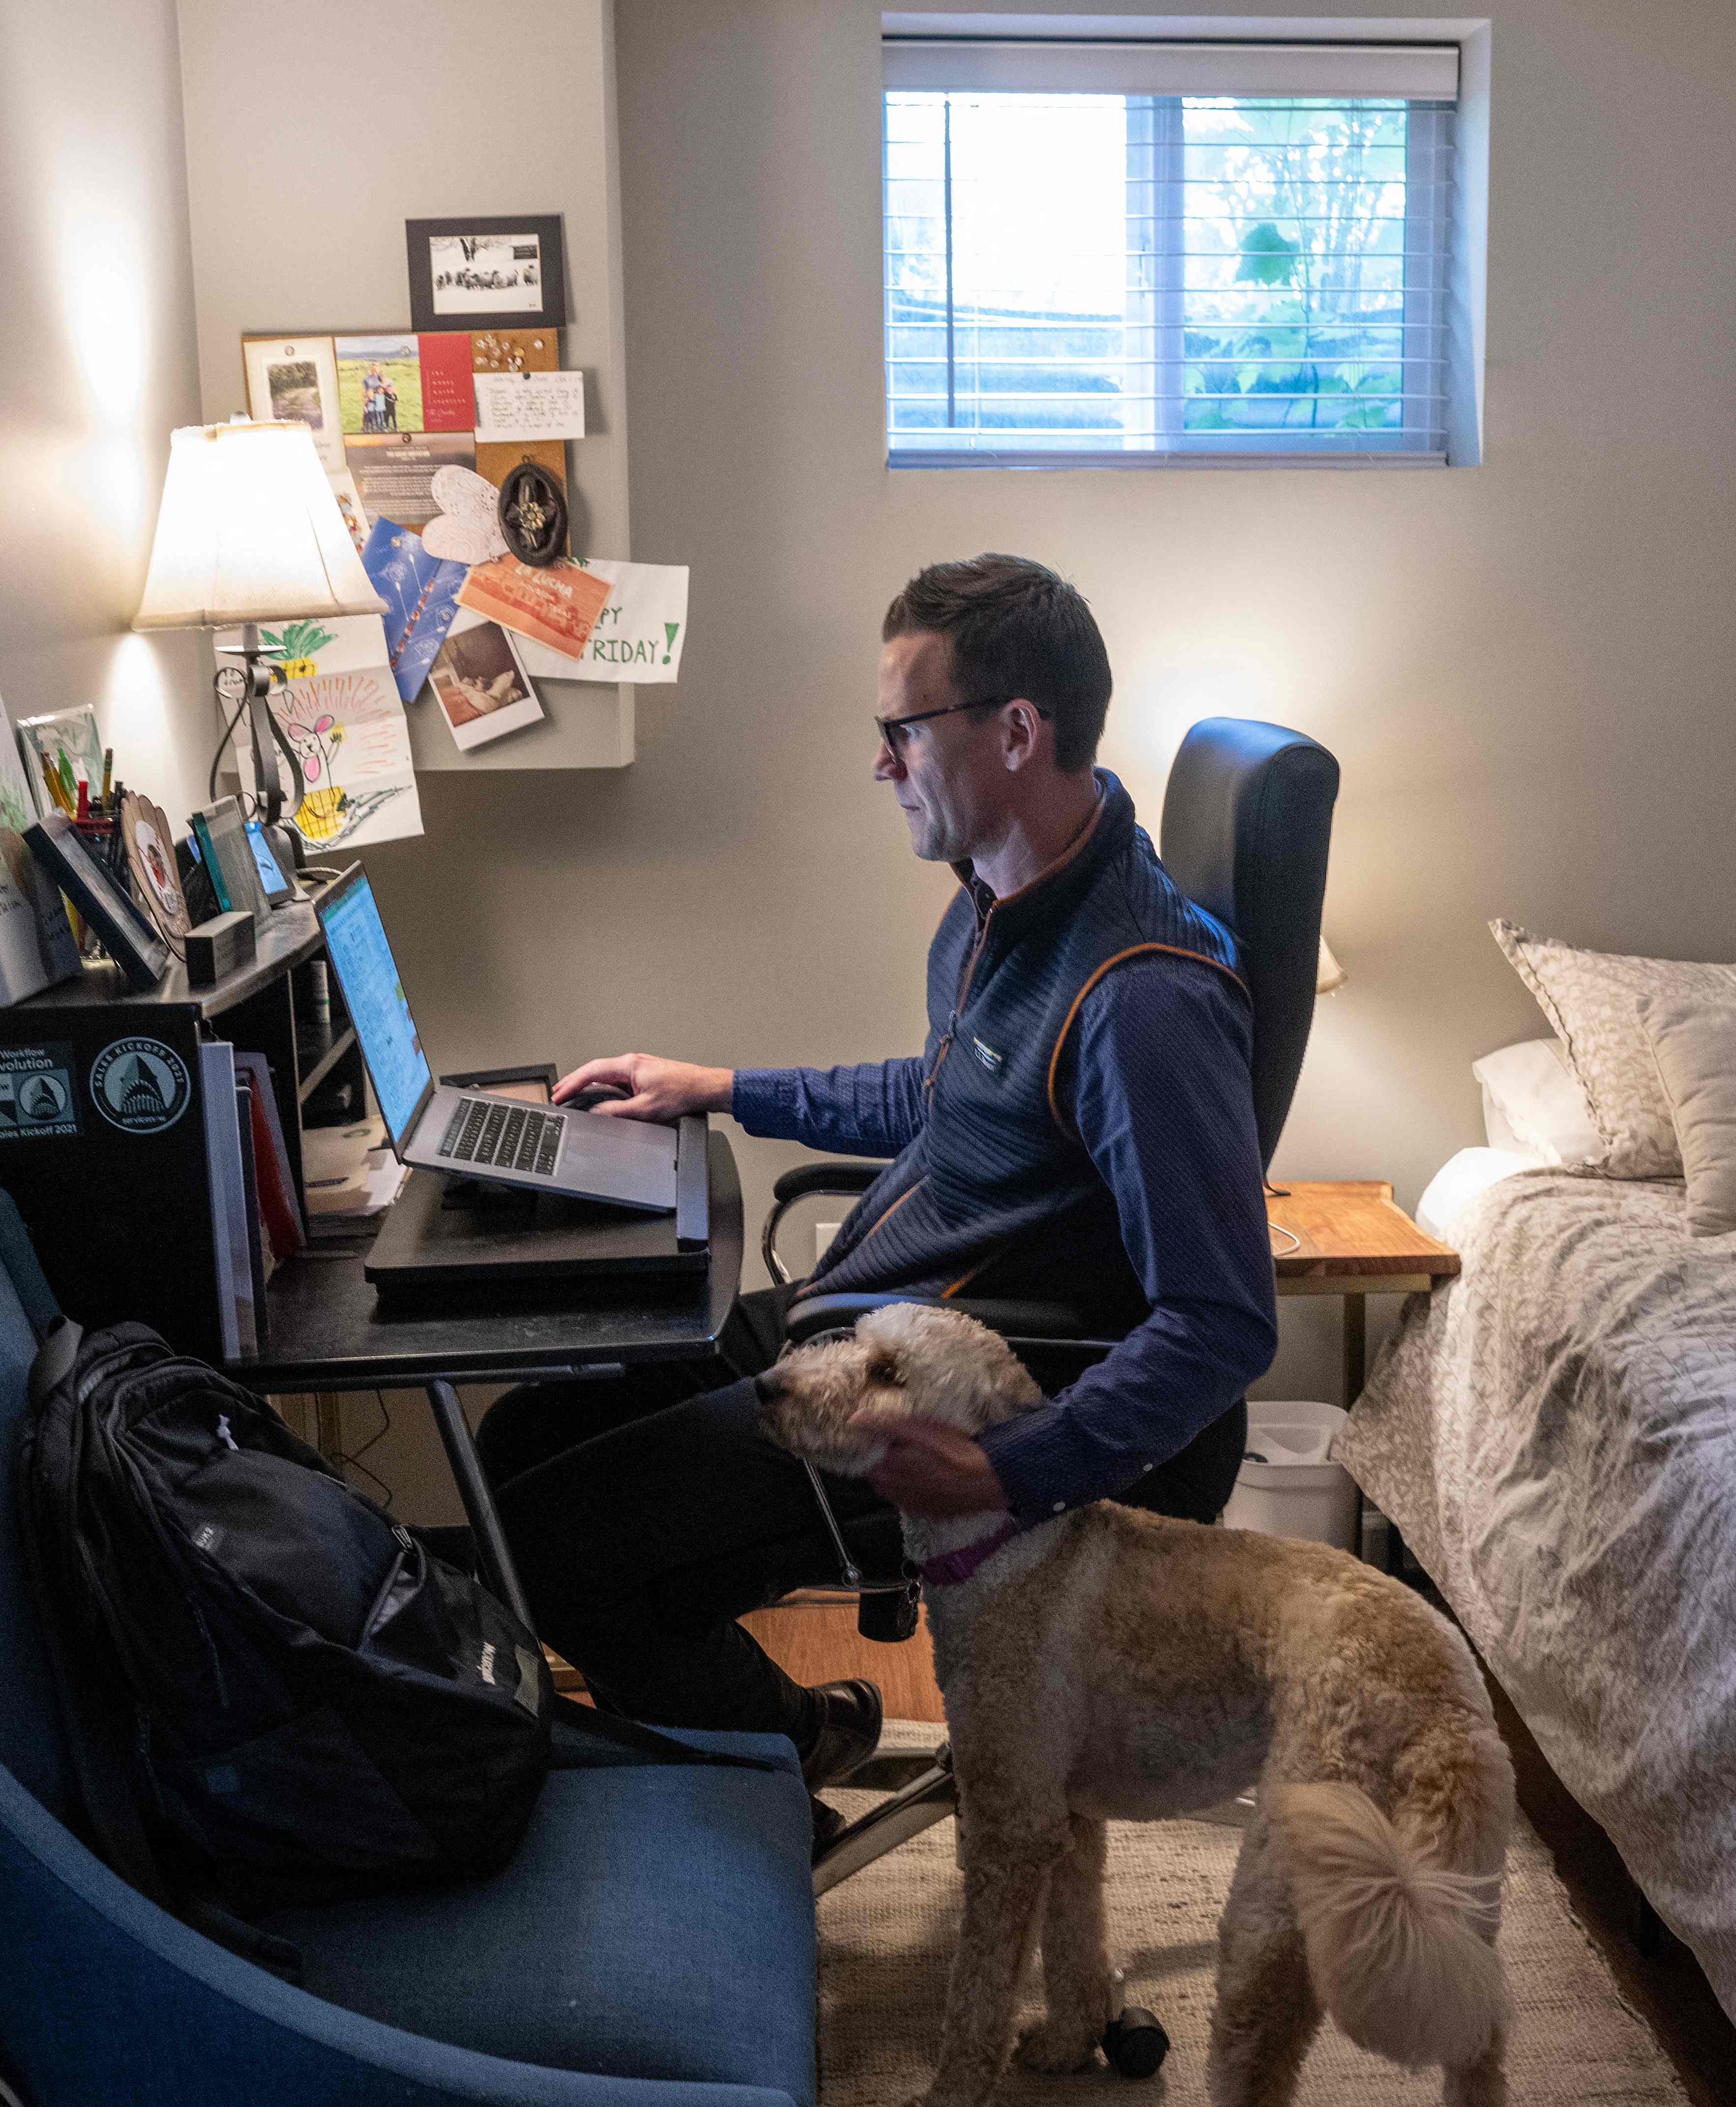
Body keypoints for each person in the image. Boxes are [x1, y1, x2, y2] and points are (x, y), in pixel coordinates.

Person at [477, 553, 1280, 1826]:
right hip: (863, 1326)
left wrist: (1005, 1470)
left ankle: (770, 1792)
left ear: (1016, 733)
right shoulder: (995, 906)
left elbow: (1224, 1325)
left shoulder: (1144, 1002)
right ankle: (792, 1735)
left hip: (972, 1405)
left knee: (546, 1546)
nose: (881, 763)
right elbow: (951, 1096)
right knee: (518, 1444)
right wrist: (720, 1087)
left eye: (903, 729)